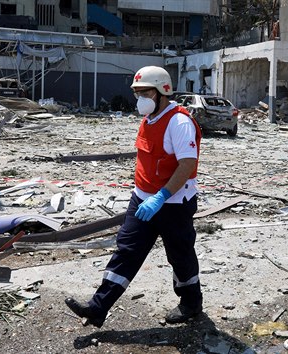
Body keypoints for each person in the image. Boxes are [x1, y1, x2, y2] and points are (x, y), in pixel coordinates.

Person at [65, 66, 203, 328]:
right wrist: (144, 194)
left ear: (162, 91)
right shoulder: (149, 119)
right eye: (137, 93)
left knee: (180, 256)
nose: (139, 99)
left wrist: (160, 196)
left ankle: (191, 304)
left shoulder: (179, 121)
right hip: (142, 200)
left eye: (145, 93)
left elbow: (186, 165)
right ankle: (97, 308)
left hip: (172, 204)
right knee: (126, 251)